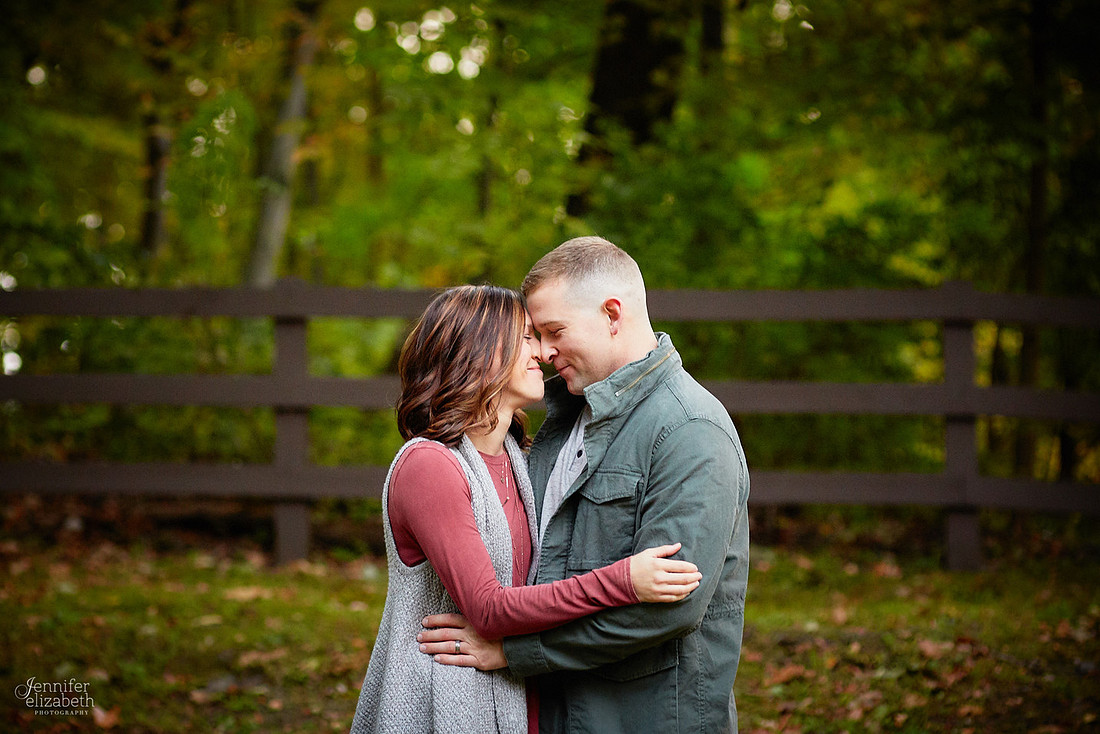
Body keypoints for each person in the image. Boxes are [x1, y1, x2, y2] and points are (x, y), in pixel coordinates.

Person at [417, 238, 751, 733]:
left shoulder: (690, 431)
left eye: (554, 331)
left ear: (613, 314)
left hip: (646, 718)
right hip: (552, 713)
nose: (543, 351)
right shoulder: (558, 419)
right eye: (536, 335)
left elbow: (669, 610)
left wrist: (514, 653)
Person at [349, 284, 703, 734]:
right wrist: (624, 581)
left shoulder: (522, 459)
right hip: (436, 698)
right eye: (524, 337)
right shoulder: (429, 466)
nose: (541, 351)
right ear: (477, 350)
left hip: (512, 695)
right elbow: (488, 610)